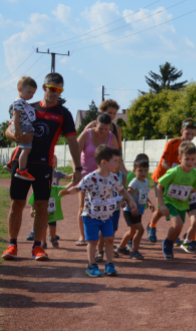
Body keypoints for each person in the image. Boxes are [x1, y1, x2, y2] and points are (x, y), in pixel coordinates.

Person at [3, 72, 82, 261]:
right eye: (53, 89)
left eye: (59, 90)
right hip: (21, 161)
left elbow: (72, 142)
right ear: (45, 88)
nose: (56, 93)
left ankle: (37, 247)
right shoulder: (27, 106)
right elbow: (8, 131)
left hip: (44, 164)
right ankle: (12, 245)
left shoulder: (64, 113)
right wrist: (17, 137)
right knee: (17, 204)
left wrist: (78, 168)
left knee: (42, 205)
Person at [60, 145, 135, 277]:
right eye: (116, 161)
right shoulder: (90, 178)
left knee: (110, 240)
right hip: (90, 216)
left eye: (119, 161)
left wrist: (130, 200)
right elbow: (78, 188)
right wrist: (68, 191)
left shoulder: (114, 177)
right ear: (104, 162)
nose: (118, 164)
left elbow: (122, 190)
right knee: (92, 241)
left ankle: (110, 264)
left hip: (107, 217)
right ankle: (91, 265)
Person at [155, 141, 196, 260]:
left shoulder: (194, 173)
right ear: (180, 159)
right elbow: (159, 186)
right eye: (187, 159)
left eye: (192, 159)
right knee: (178, 224)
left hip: (183, 203)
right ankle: (167, 244)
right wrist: (162, 205)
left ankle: (169, 242)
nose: (190, 162)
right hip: (170, 201)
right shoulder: (174, 171)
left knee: (178, 229)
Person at [148, 118, 196, 242]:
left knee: (176, 206)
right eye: (187, 133)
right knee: (161, 208)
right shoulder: (172, 143)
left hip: (178, 182)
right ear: (182, 131)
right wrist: (175, 173)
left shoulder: (191, 147)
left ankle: (174, 234)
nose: (190, 137)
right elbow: (164, 163)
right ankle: (151, 225)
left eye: (192, 134)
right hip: (163, 178)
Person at [75, 113, 117, 246]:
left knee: (101, 205)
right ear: (95, 124)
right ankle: (83, 236)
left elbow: (115, 157)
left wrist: (114, 173)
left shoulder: (111, 137)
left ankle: (100, 236)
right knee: (83, 206)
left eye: (106, 129)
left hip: (104, 177)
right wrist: (76, 170)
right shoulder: (86, 134)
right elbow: (74, 152)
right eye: (101, 128)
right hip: (86, 175)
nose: (103, 132)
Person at [27, 155, 70, 248]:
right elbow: (34, 197)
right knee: (43, 225)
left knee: (53, 225)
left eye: (55, 163)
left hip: (52, 208)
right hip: (42, 208)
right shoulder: (40, 187)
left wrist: (76, 178)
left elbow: (67, 186)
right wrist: (31, 208)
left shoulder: (55, 187)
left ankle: (52, 237)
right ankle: (43, 241)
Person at [117, 154, 152, 260]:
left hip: (138, 210)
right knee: (140, 230)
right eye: (140, 170)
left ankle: (120, 247)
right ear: (134, 171)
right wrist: (125, 203)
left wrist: (149, 202)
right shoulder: (134, 182)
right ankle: (134, 251)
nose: (143, 173)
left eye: (146, 170)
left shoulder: (146, 181)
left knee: (132, 231)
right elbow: (128, 193)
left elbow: (144, 193)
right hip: (130, 210)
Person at [82, 99, 128, 179]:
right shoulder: (91, 127)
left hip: (109, 167)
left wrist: (119, 162)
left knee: (125, 177)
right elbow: (80, 145)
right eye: (110, 113)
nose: (112, 115)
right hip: (89, 168)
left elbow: (119, 148)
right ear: (103, 111)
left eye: (114, 113)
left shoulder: (116, 129)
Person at [10, 76, 37, 181]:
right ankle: (21, 170)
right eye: (29, 92)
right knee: (26, 149)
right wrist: (17, 130)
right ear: (20, 89)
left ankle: (10, 164)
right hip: (23, 126)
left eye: (33, 93)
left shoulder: (23, 102)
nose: (31, 95)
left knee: (20, 148)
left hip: (24, 126)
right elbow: (16, 115)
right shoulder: (19, 101)